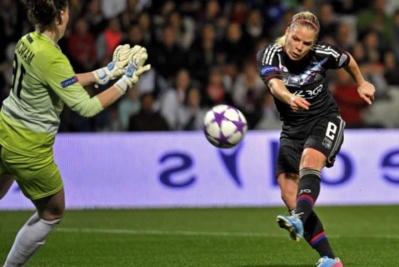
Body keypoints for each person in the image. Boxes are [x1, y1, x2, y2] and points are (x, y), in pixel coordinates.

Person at [0, 0, 151, 266]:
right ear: (60, 16)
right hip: (29, 146)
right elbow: (87, 107)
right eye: (67, 9)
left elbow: (58, 78)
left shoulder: (27, 41)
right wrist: (125, 80)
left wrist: (104, 73)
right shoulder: (53, 57)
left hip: (4, 130)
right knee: (52, 211)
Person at [256, 11, 375, 267]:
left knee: (310, 160)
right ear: (288, 31)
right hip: (292, 128)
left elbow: (347, 59)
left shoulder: (324, 54)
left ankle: (299, 217)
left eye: (306, 43)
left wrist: (361, 83)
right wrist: (289, 98)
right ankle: (330, 260)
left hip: (325, 119)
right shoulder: (270, 54)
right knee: (289, 193)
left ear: (314, 43)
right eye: (296, 39)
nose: (299, 47)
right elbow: (274, 85)